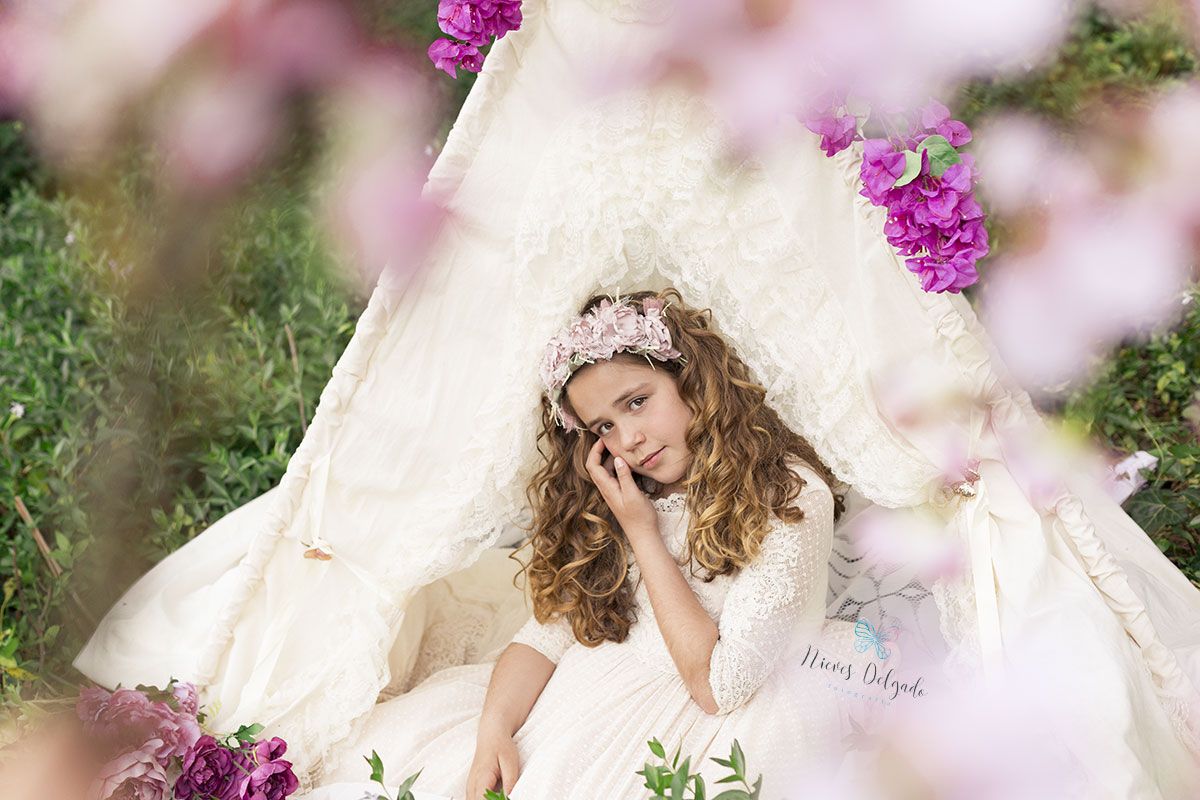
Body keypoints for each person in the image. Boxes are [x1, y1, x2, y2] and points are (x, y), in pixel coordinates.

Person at [306, 288, 852, 799]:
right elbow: (546, 636)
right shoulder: (627, 491)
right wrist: (494, 728)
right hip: (585, 701)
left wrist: (643, 534)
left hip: (711, 722)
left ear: (693, 379)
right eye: (604, 427)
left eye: (637, 402)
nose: (628, 440)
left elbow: (718, 687)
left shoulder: (791, 496)